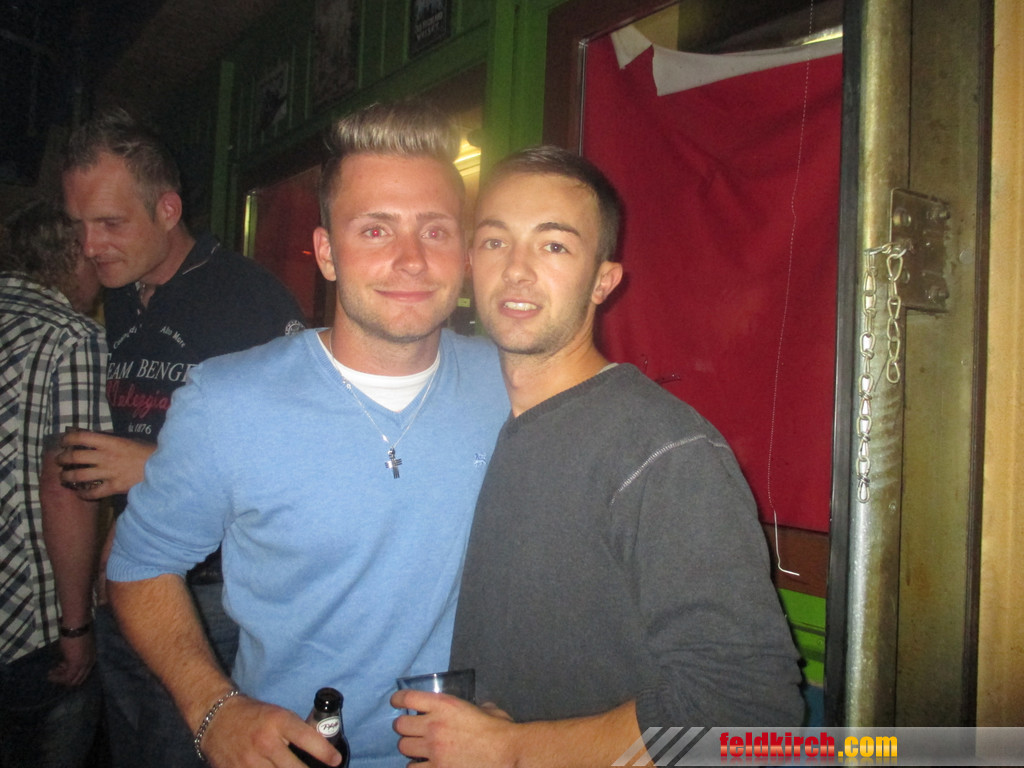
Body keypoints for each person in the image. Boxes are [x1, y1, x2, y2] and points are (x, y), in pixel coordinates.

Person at [104, 100, 509, 768]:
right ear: (326, 253)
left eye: (435, 231)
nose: (411, 259)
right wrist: (212, 709)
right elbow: (139, 564)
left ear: (464, 253)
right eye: (375, 230)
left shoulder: (514, 384)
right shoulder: (228, 401)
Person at [391, 146, 806, 767]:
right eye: (497, 242)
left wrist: (510, 751)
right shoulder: (480, 419)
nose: (517, 271)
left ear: (603, 280)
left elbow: (747, 711)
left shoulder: (663, 452)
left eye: (554, 246)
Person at [59, 108, 306, 768]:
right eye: (80, 226)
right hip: (126, 588)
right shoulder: (118, 297)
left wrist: (153, 467)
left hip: (210, 603)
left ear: (167, 210)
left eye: (110, 224)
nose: (90, 245)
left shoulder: (249, 299)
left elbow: (300, 460)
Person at [0, 200, 111, 767]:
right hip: (32, 624)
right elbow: (71, 483)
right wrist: (75, 626)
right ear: (74, 257)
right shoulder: (71, 338)